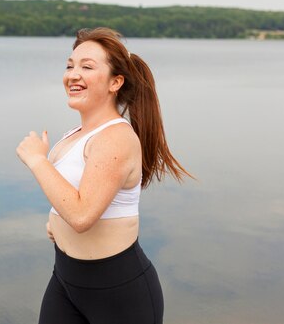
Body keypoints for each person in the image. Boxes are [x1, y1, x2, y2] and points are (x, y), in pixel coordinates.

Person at [16, 27, 193, 324]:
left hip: (119, 293)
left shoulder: (117, 139)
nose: (73, 74)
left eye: (87, 67)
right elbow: (74, 200)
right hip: (65, 280)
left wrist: (37, 160)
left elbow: (83, 215)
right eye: (70, 65)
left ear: (115, 82)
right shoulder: (74, 136)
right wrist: (56, 223)